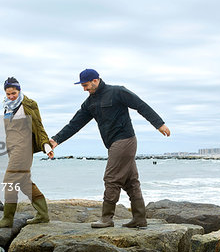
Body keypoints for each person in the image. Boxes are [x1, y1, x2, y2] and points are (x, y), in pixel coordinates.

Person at [49, 69, 170, 229]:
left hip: (125, 140)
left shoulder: (117, 92)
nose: (84, 89)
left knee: (111, 178)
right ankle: (139, 219)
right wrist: (56, 140)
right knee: (131, 182)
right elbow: (74, 124)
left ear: (95, 80)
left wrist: (159, 124)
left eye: (86, 85)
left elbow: (140, 105)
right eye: (82, 86)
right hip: (113, 144)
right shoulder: (89, 103)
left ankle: (107, 218)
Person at [0, 77, 54, 228]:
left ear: (19, 90)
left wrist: (46, 146)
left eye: (14, 93)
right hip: (12, 150)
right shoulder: (7, 107)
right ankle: (43, 214)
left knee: (9, 180)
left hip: (23, 149)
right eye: (8, 94)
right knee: (24, 182)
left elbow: (39, 126)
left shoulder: (29, 104)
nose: (11, 96)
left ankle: (7, 218)